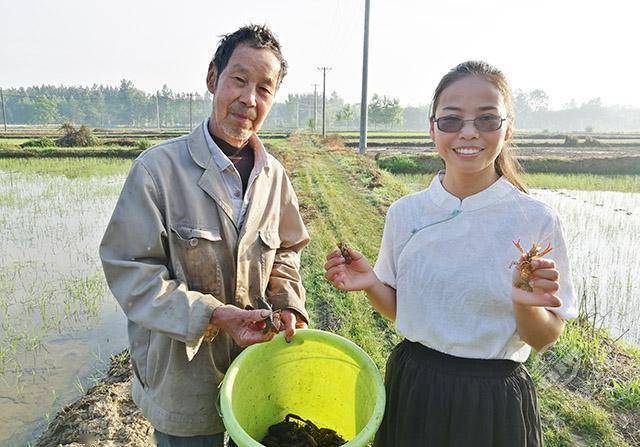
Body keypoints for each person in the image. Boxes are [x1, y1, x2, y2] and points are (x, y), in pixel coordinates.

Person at [324, 61, 577, 446]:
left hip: (492, 400)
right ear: (432, 128)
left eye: (488, 119)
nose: (469, 133)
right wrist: (372, 283)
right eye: (452, 120)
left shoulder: (534, 220)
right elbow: (407, 312)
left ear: (508, 129)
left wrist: (525, 305)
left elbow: (543, 339)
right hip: (414, 385)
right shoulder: (406, 213)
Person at [100, 24, 309, 447]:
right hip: (183, 374)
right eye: (239, 79)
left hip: (256, 363)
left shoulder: (274, 177)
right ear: (213, 78)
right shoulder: (157, 171)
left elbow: (285, 251)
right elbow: (131, 273)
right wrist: (214, 315)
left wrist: (288, 304)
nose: (249, 99)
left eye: (264, 88)